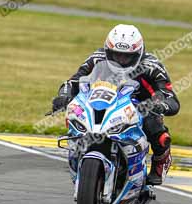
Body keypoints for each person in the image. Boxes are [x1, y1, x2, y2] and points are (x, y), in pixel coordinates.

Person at [51, 24, 180, 185]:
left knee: (156, 129)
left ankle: (161, 161)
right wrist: (64, 96)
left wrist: (161, 105)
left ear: (139, 53)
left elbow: (171, 98)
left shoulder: (153, 66)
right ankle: (78, 151)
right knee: (76, 112)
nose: (121, 60)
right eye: (116, 55)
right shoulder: (97, 58)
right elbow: (75, 80)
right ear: (107, 50)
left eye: (127, 57)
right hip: (105, 100)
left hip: (140, 106)